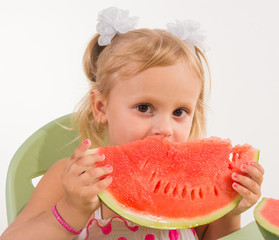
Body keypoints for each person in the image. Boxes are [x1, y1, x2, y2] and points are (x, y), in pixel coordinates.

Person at [0, 7, 264, 240]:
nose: (165, 128)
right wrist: (71, 210)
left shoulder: (198, 180)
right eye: (144, 108)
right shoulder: (70, 177)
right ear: (101, 106)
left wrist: (232, 208)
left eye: (180, 111)